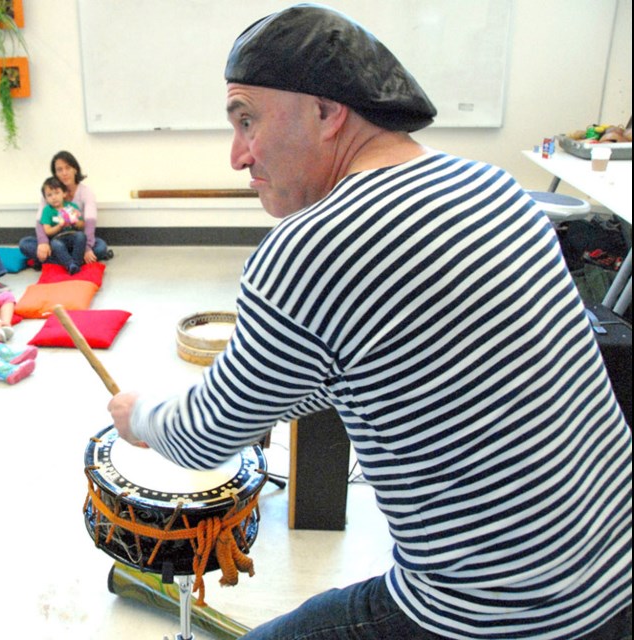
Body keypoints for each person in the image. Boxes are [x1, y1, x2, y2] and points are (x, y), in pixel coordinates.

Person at [108, 6, 632, 640]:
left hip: (498, 616)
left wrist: (138, 414)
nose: (237, 155)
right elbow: (403, 364)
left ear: (329, 113)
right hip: (615, 573)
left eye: (247, 120)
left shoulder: (311, 245)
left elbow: (201, 440)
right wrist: (269, 391)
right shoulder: (492, 187)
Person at [19, 151, 113, 270]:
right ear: (55, 173)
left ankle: (52, 261)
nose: (64, 173)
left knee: (100, 247)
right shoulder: (49, 193)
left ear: (75, 169)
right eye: (59, 169)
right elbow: (40, 222)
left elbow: (89, 223)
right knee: (25, 244)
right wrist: (43, 243)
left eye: (67, 168)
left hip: (78, 241)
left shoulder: (86, 192)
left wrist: (87, 248)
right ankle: (74, 261)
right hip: (55, 242)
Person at [33, 177, 87, 275]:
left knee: (82, 236)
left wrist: (75, 221)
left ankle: (73, 262)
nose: (54, 197)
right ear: (45, 198)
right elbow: (47, 231)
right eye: (49, 195)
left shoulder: (71, 207)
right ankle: (72, 264)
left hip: (72, 237)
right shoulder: (47, 210)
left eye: (57, 193)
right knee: (29, 244)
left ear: (64, 193)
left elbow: (82, 226)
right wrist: (59, 226)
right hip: (57, 239)